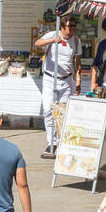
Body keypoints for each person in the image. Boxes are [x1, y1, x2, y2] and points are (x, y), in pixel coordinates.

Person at [33, 16, 80, 160]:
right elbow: (37, 43)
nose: (71, 29)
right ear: (62, 27)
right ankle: (51, 142)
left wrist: (78, 80)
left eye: (73, 26)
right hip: (49, 78)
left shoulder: (76, 40)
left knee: (62, 113)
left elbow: (77, 61)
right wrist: (52, 41)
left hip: (66, 80)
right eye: (69, 26)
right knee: (48, 110)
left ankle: (60, 142)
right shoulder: (53, 35)